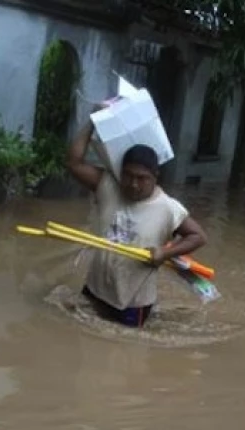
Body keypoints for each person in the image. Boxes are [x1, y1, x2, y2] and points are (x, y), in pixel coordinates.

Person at [65, 113, 207, 327]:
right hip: (95, 289)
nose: (133, 184)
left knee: (129, 355)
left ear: (155, 176)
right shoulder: (108, 186)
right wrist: (93, 122)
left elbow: (198, 236)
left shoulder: (168, 207)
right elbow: (74, 163)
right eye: (129, 175)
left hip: (134, 302)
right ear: (120, 173)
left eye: (142, 178)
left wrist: (164, 252)